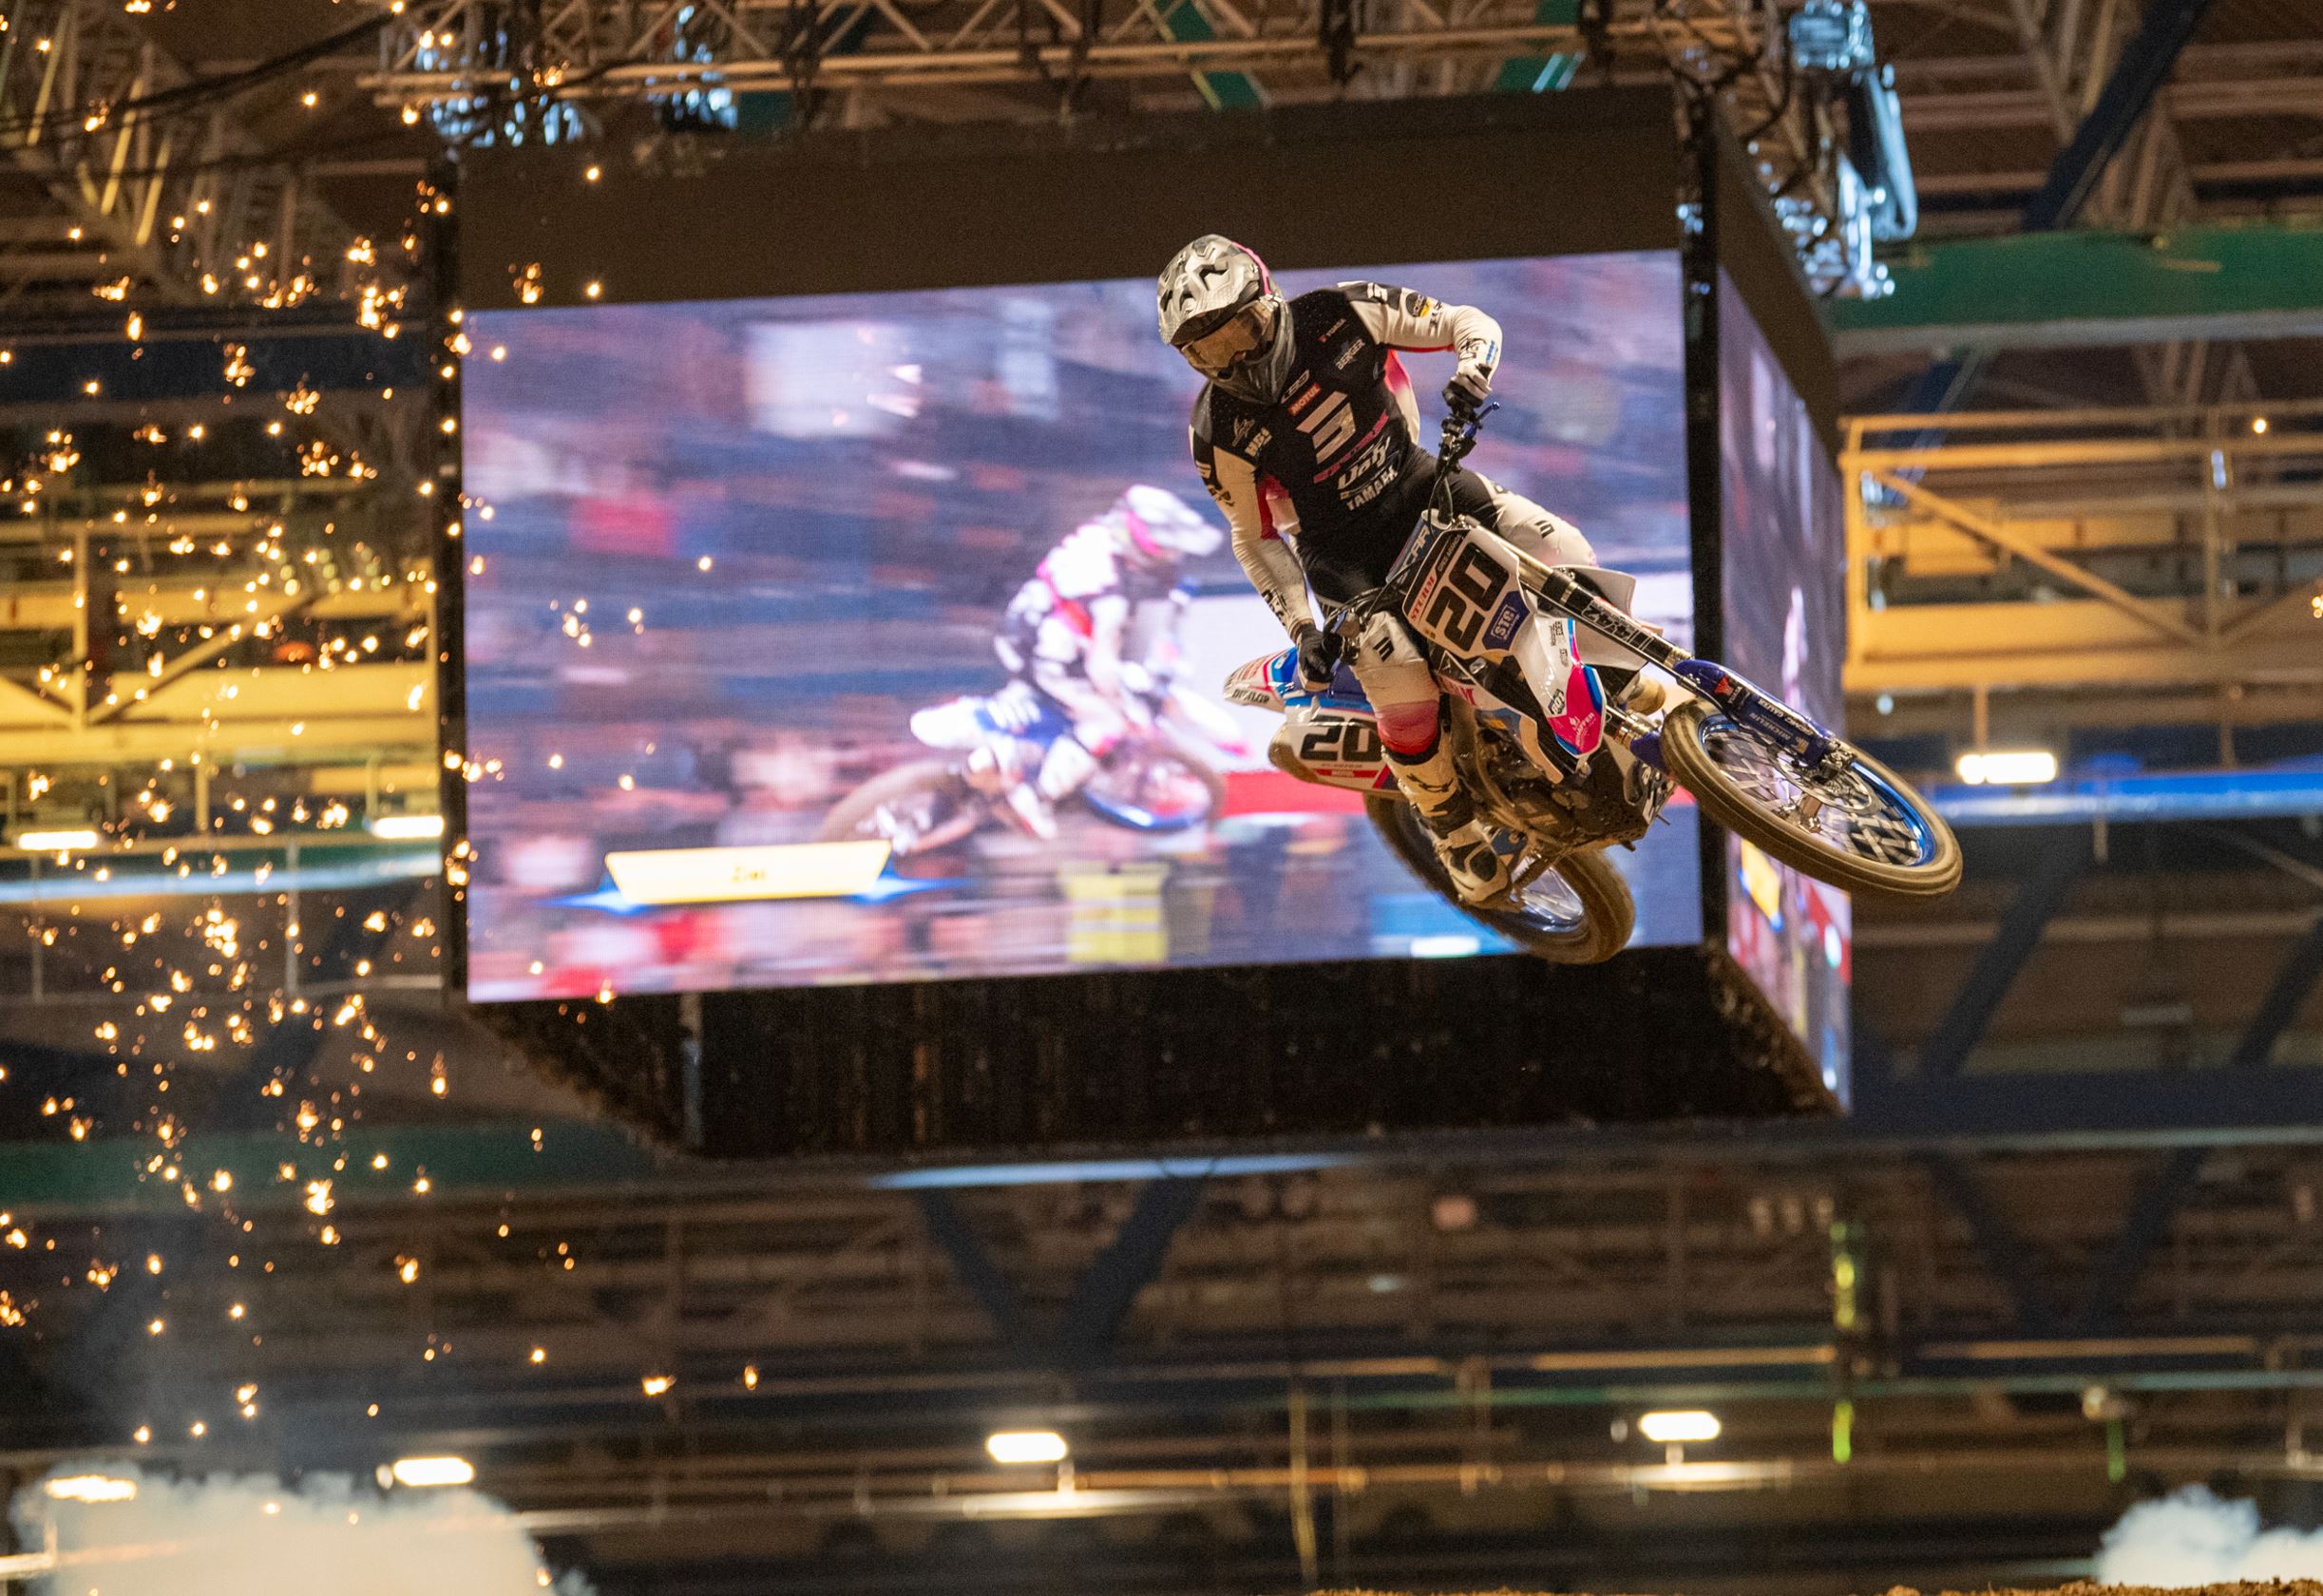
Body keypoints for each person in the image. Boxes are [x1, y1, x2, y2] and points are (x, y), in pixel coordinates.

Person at [1158, 235, 1607, 903]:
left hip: (1421, 484)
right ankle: (1450, 830)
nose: (1237, 360)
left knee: (1563, 547)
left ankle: (1608, 675)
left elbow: (1467, 322)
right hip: (1342, 555)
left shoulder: (1343, 311)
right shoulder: (1214, 430)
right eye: (1209, 352)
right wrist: (1301, 628)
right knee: (1395, 673)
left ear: (1269, 300)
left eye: (1240, 331)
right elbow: (1253, 539)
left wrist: (1472, 370)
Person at [989, 484, 1223, 836]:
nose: (1169, 557)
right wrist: (1119, 702)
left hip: (1023, 628)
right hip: (1046, 659)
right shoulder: (1110, 595)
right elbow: (1101, 664)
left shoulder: (1095, 535)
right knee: (1108, 721)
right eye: (1163, 548)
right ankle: (1035, 797)